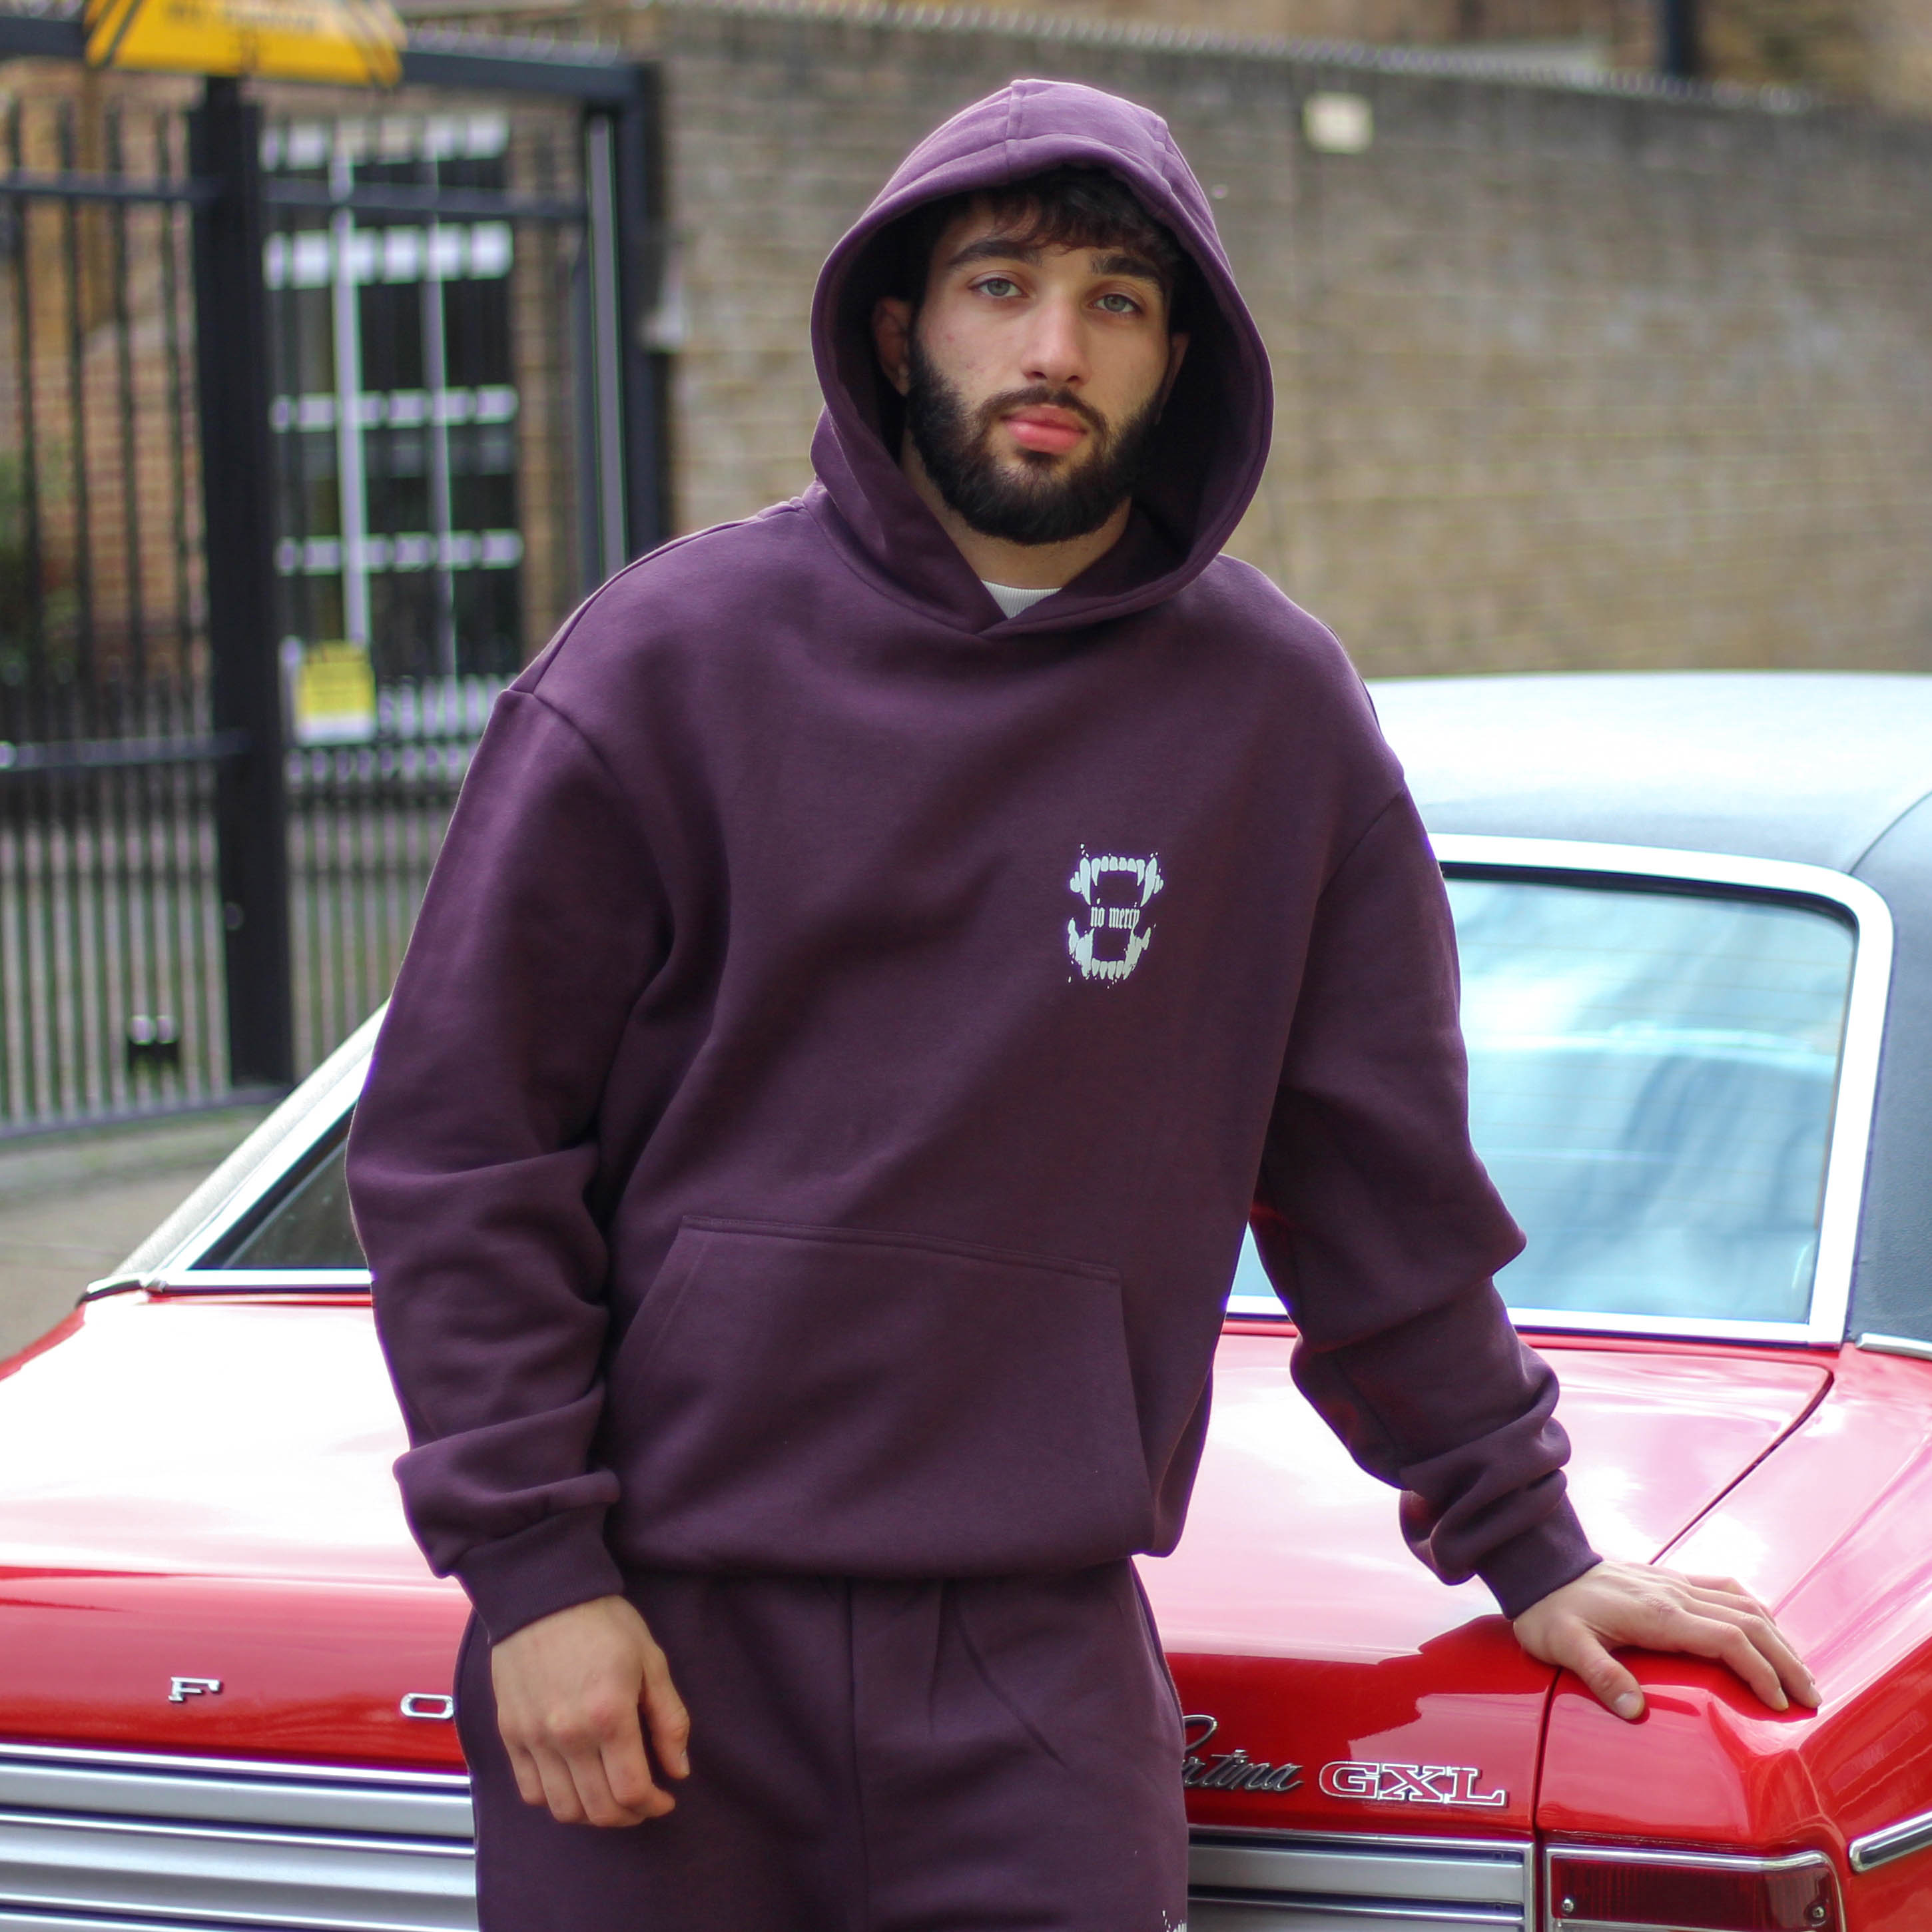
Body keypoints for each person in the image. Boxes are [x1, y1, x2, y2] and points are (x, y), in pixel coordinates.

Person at [346, 77, 1817, 1932]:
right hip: (653, 1644)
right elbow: (463, 1151)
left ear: (1176, 358)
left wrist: (1531, 1544)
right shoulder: (659, 666)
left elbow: (1373, 1185)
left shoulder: (1276, 721)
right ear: (901, 327)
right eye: (1003, 286)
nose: (1056, 346)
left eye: (1117, 301)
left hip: (1038, 1676)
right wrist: (537, 1576)